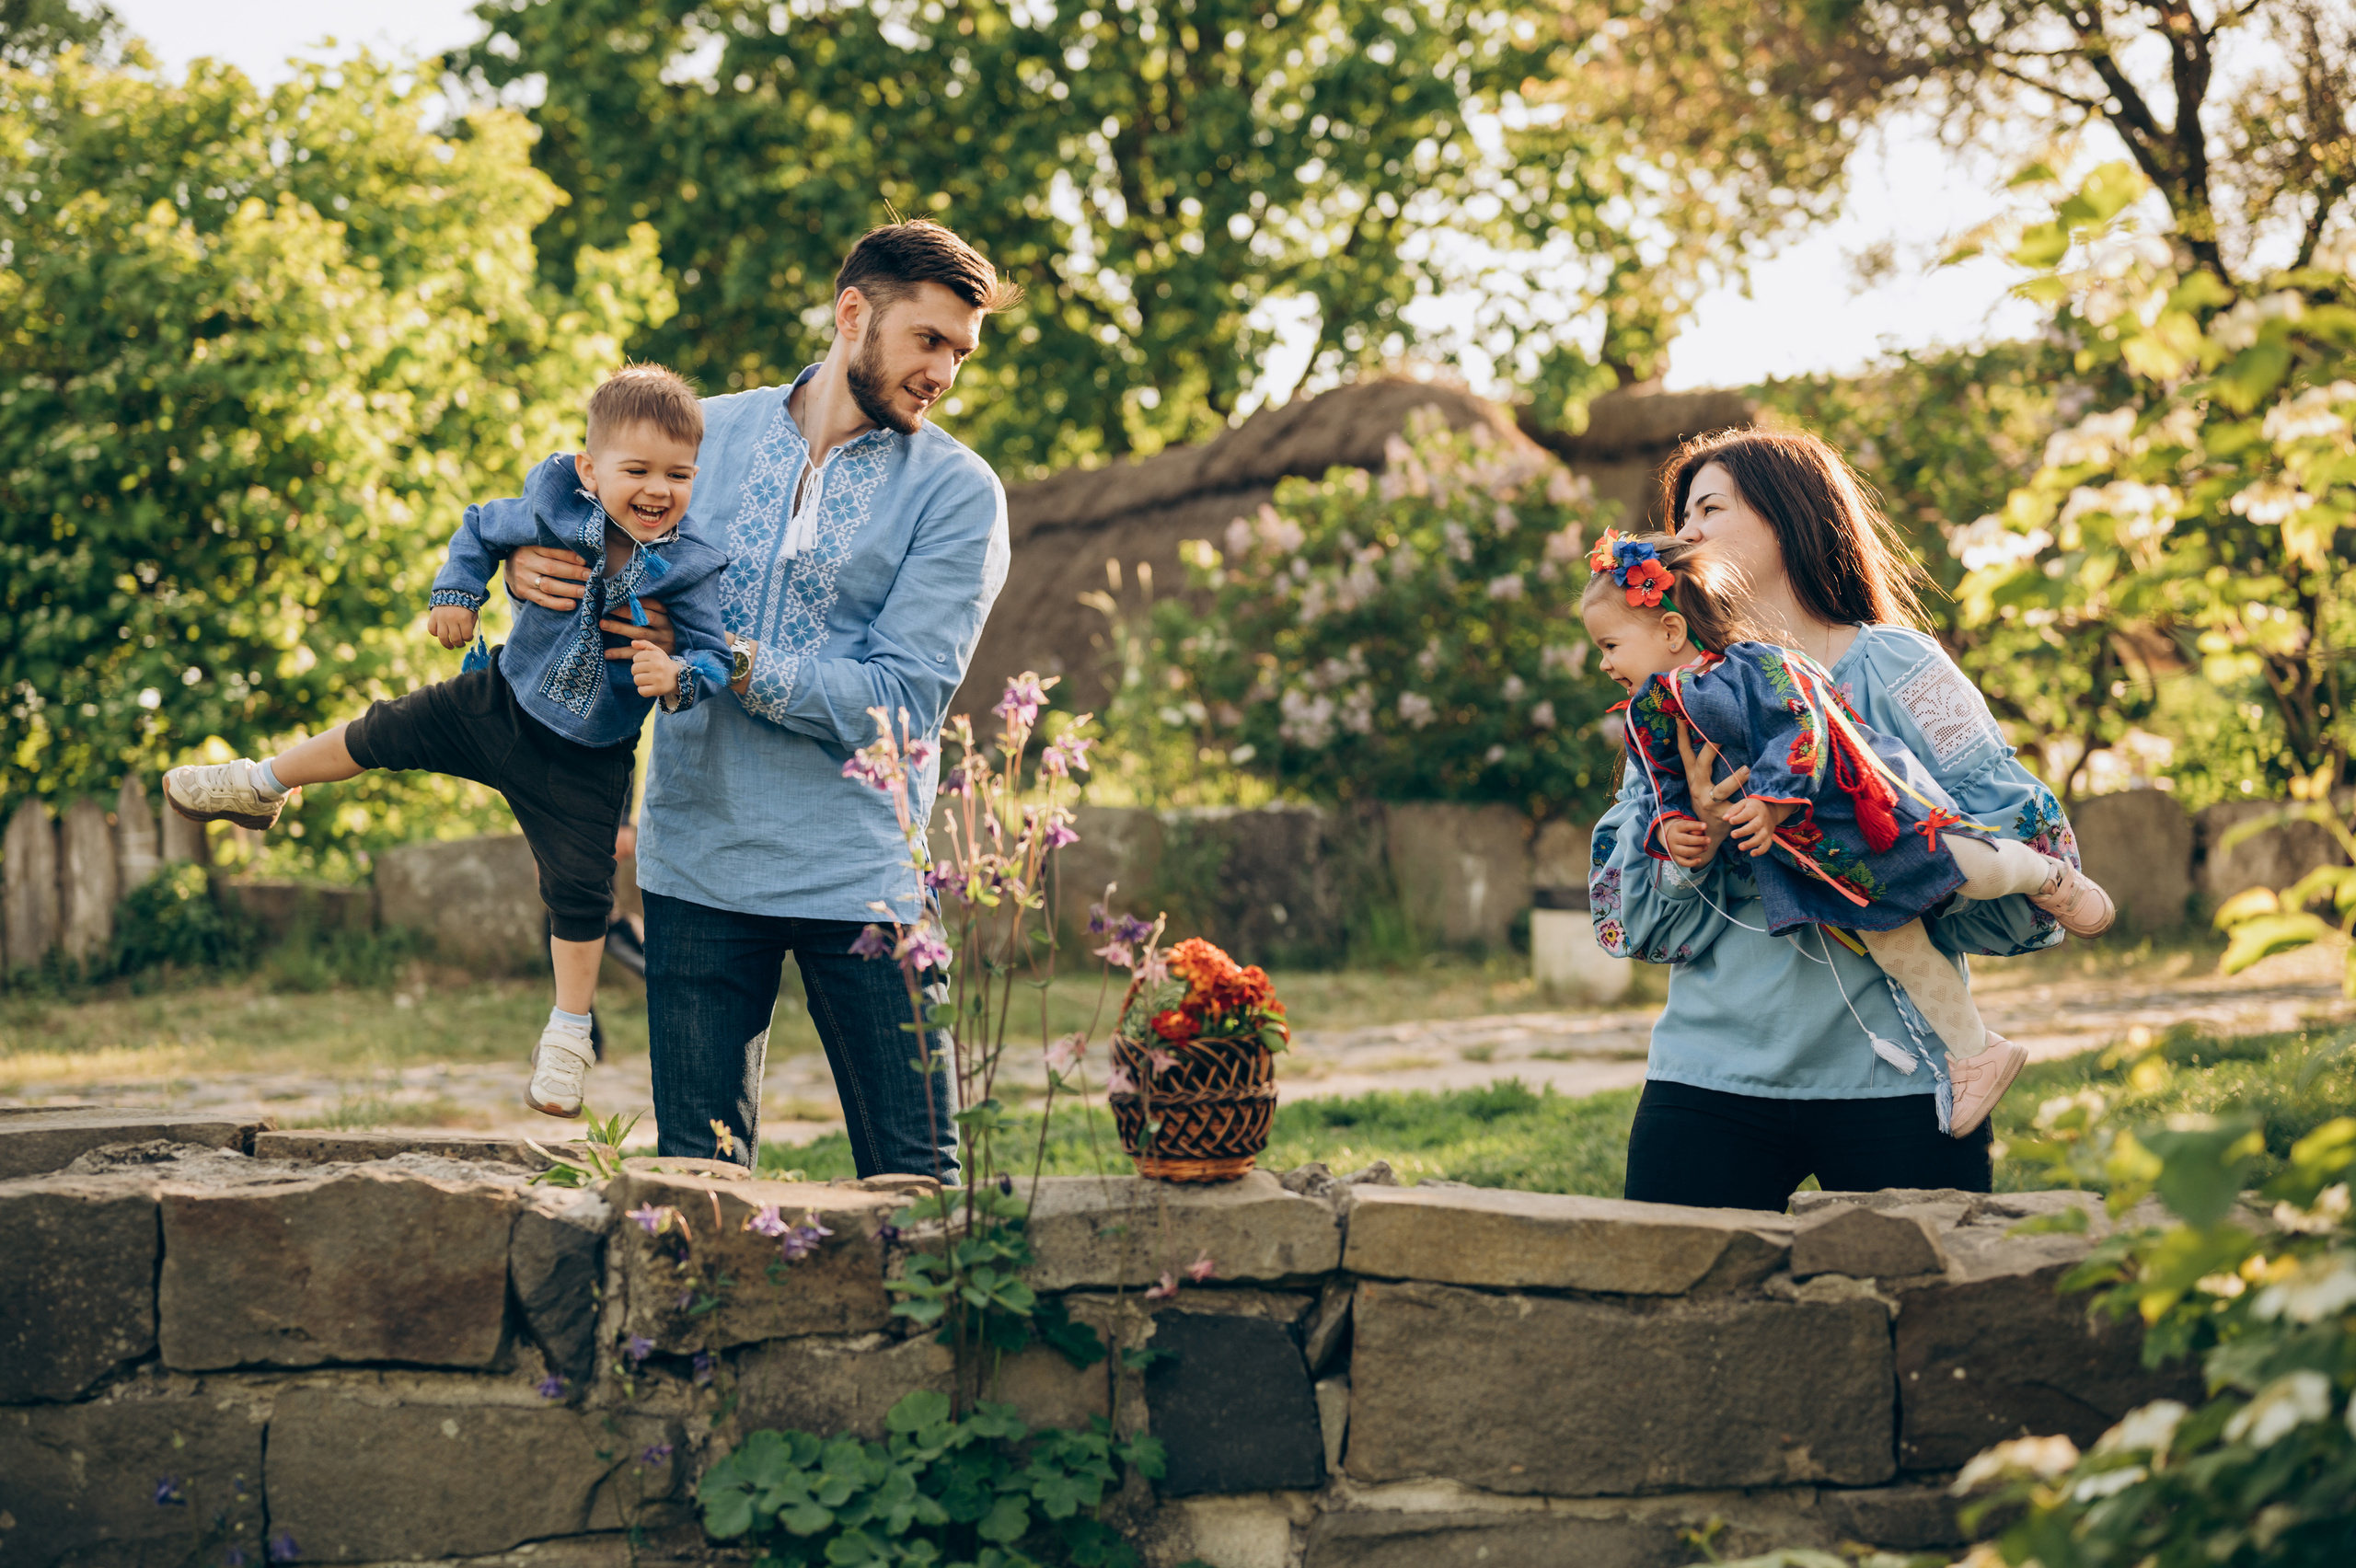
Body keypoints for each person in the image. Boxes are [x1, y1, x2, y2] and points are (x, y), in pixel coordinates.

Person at [497, 220, 1016, 1178]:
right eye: (929, 341)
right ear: (853, 313)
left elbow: (900, 702)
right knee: (699, 1187)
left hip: (863, 881)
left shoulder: (957, 494)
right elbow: (589, 524)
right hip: (696, 866)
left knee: (923, 1187)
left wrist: (724, 659)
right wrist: (534, 564)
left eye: (961, 352)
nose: (945, 372)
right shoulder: (704, 435)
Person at [163, 366, 732, 1118]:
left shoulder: (690, 567)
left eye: (679, 474)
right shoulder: (553, 508)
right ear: (592, 471)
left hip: (586, 758)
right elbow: (478, 528)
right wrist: (456, 595)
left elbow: (714, 655)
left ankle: (567, 1034)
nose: (659, 489)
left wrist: (678, 674)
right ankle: (262, 783)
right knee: (381, 729)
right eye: (639, 471)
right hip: (497, 701)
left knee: (581, 891)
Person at [1590, 428, 2102, 1211]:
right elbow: (1638, 925)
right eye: (1680, 514)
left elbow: (2027, 860)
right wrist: (1693, 845)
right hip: (1708, 1081)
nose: (1684, 532)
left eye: (1710, 507)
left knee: (1932, 1322)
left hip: (1901, 1086)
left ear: (1790, 517)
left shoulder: (1904, 668)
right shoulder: (1670, 698)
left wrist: (1875, 851)